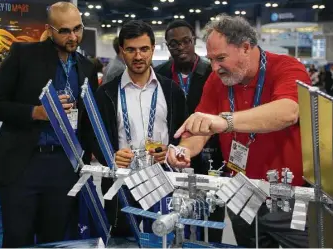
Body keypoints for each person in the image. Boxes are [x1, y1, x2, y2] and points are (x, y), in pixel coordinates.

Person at [167, 14, 311, 248]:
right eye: (211, 59)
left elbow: (288, 111)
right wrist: (184, 150)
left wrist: (225, 122)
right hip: (241, 193)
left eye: (221, 58)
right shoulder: (217, 81)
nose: (214, 68)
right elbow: (201, 127)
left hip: (290, 197)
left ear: (245, 47)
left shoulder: (286, 67)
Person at [0, 2, 98, 248]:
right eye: (64, 31)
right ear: (50, 29)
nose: (73, 36)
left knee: (55, 241)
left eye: (78, 29)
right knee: (17, 240)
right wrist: (36, 112)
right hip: (22, 165)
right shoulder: (23, 55)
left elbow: (88, 121)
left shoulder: (87, 67)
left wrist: (88, 162)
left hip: (64, 167)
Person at [94, 20, 187, 237]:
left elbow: (185, 134)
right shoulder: (106, 93)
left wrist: (171, 150)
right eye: (131, 50)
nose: (138, 56)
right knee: (125, 240)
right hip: (123, 181)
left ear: (153, 49)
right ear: (121, 51)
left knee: (164, 238)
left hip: (164, 178)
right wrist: (110, 156)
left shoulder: (171, 90)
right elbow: (93, 136)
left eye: (144, 49)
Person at [155, 19, 225, 243]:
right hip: (175, 151)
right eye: (174, 44)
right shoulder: (160, 74)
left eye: (186, 41)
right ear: (167, 46)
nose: (181, 47)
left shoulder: (212, 72)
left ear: (194, 41)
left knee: (212, 209)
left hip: (212, 152)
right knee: (176, 210)